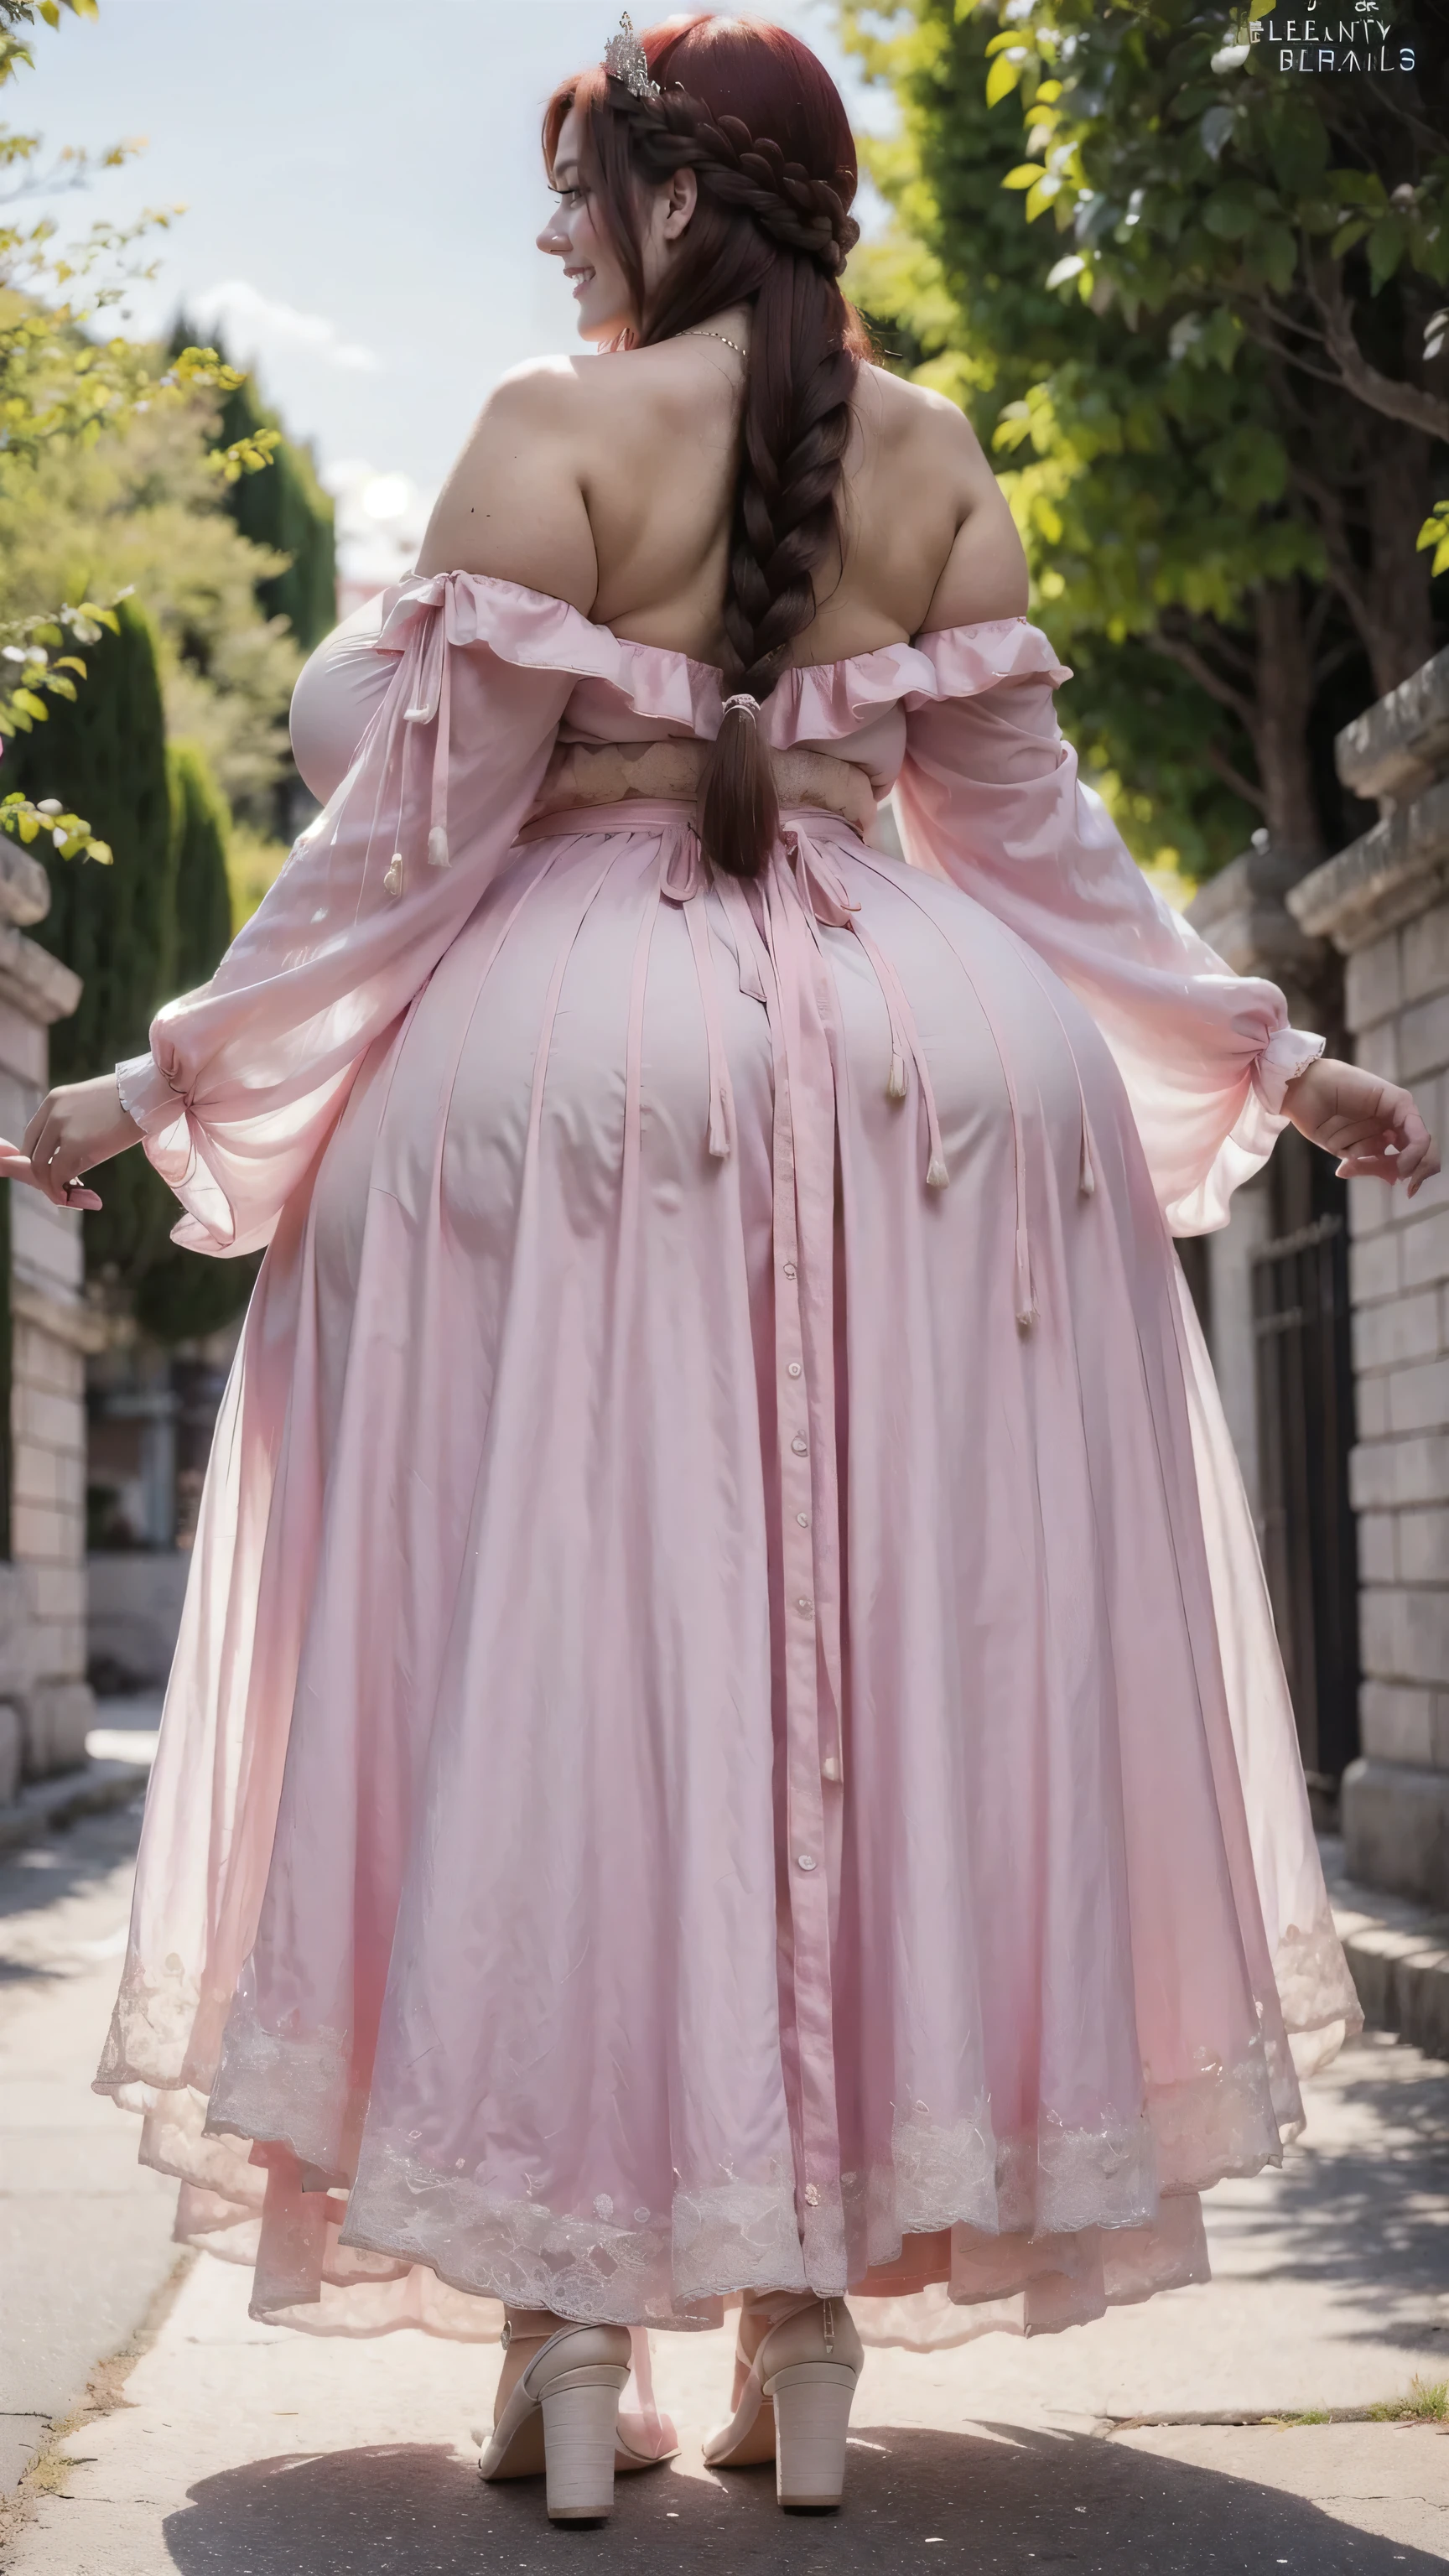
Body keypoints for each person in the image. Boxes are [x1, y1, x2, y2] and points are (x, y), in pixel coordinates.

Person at [8, 10, 1436, 2530]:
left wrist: (166, 1081)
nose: (555, 239)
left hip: (571, 1081)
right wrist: (1265, 1054)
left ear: (682, 200)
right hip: (938, 1072)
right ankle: (805, 2328)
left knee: (552, 1657)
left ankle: (571, 2328)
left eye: (583, 191)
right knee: (897, 1663)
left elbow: (398, 854)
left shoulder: (547, 434)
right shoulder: (937, 461)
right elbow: (1041, 842)